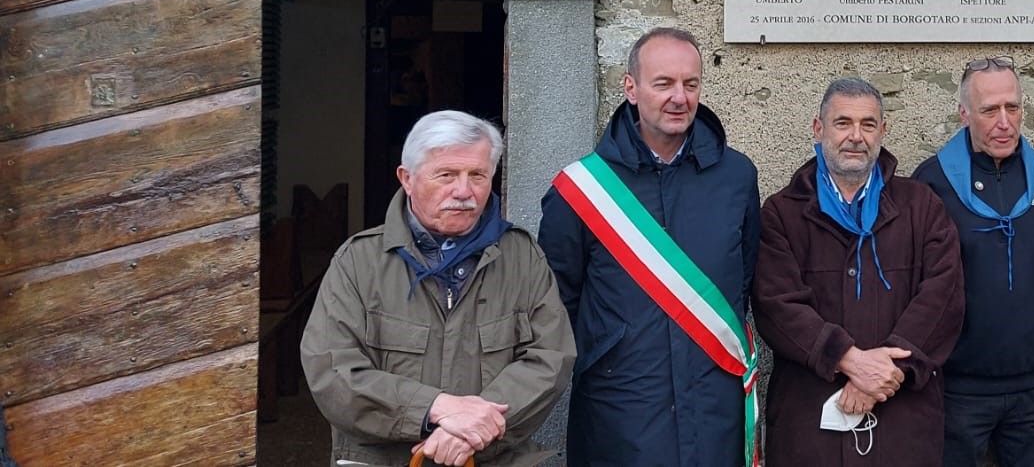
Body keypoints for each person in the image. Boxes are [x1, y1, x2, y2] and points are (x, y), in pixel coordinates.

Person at [538, 28, 762, 467]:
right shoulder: (580, 190)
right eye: (663, 83)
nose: (679, 97)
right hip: (620, 410)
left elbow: (743, 281)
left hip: (714, 407)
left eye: (690, 84)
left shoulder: (737, 177)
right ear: (631, 88)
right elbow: (557, 301)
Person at [301, 110, 573, 467]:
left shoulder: (522, 257)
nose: (463, 191)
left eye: (477, 175)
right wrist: (433, 409)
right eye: (446, 175)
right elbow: (332, 370)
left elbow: (549, 358)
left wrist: (471, 433)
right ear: (407, 178)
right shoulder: (358, 262)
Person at [754, 78, 966, 466]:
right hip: (810, 427)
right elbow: (776, 305)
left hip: (904, 427)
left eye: (868, 124)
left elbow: (944, 295)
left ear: (882, 131)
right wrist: (847, 359)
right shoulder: (781, 213)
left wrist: (884, 372)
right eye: (843, 123)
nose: (856, 136)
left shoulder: (921, 206)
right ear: (818, 129)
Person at [911, 56, 1034, 467]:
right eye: (989, 110)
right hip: (957, 387)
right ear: (964, 114)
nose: (1004, 122)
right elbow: (917, 279)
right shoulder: (931, 183)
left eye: (1012, 107)